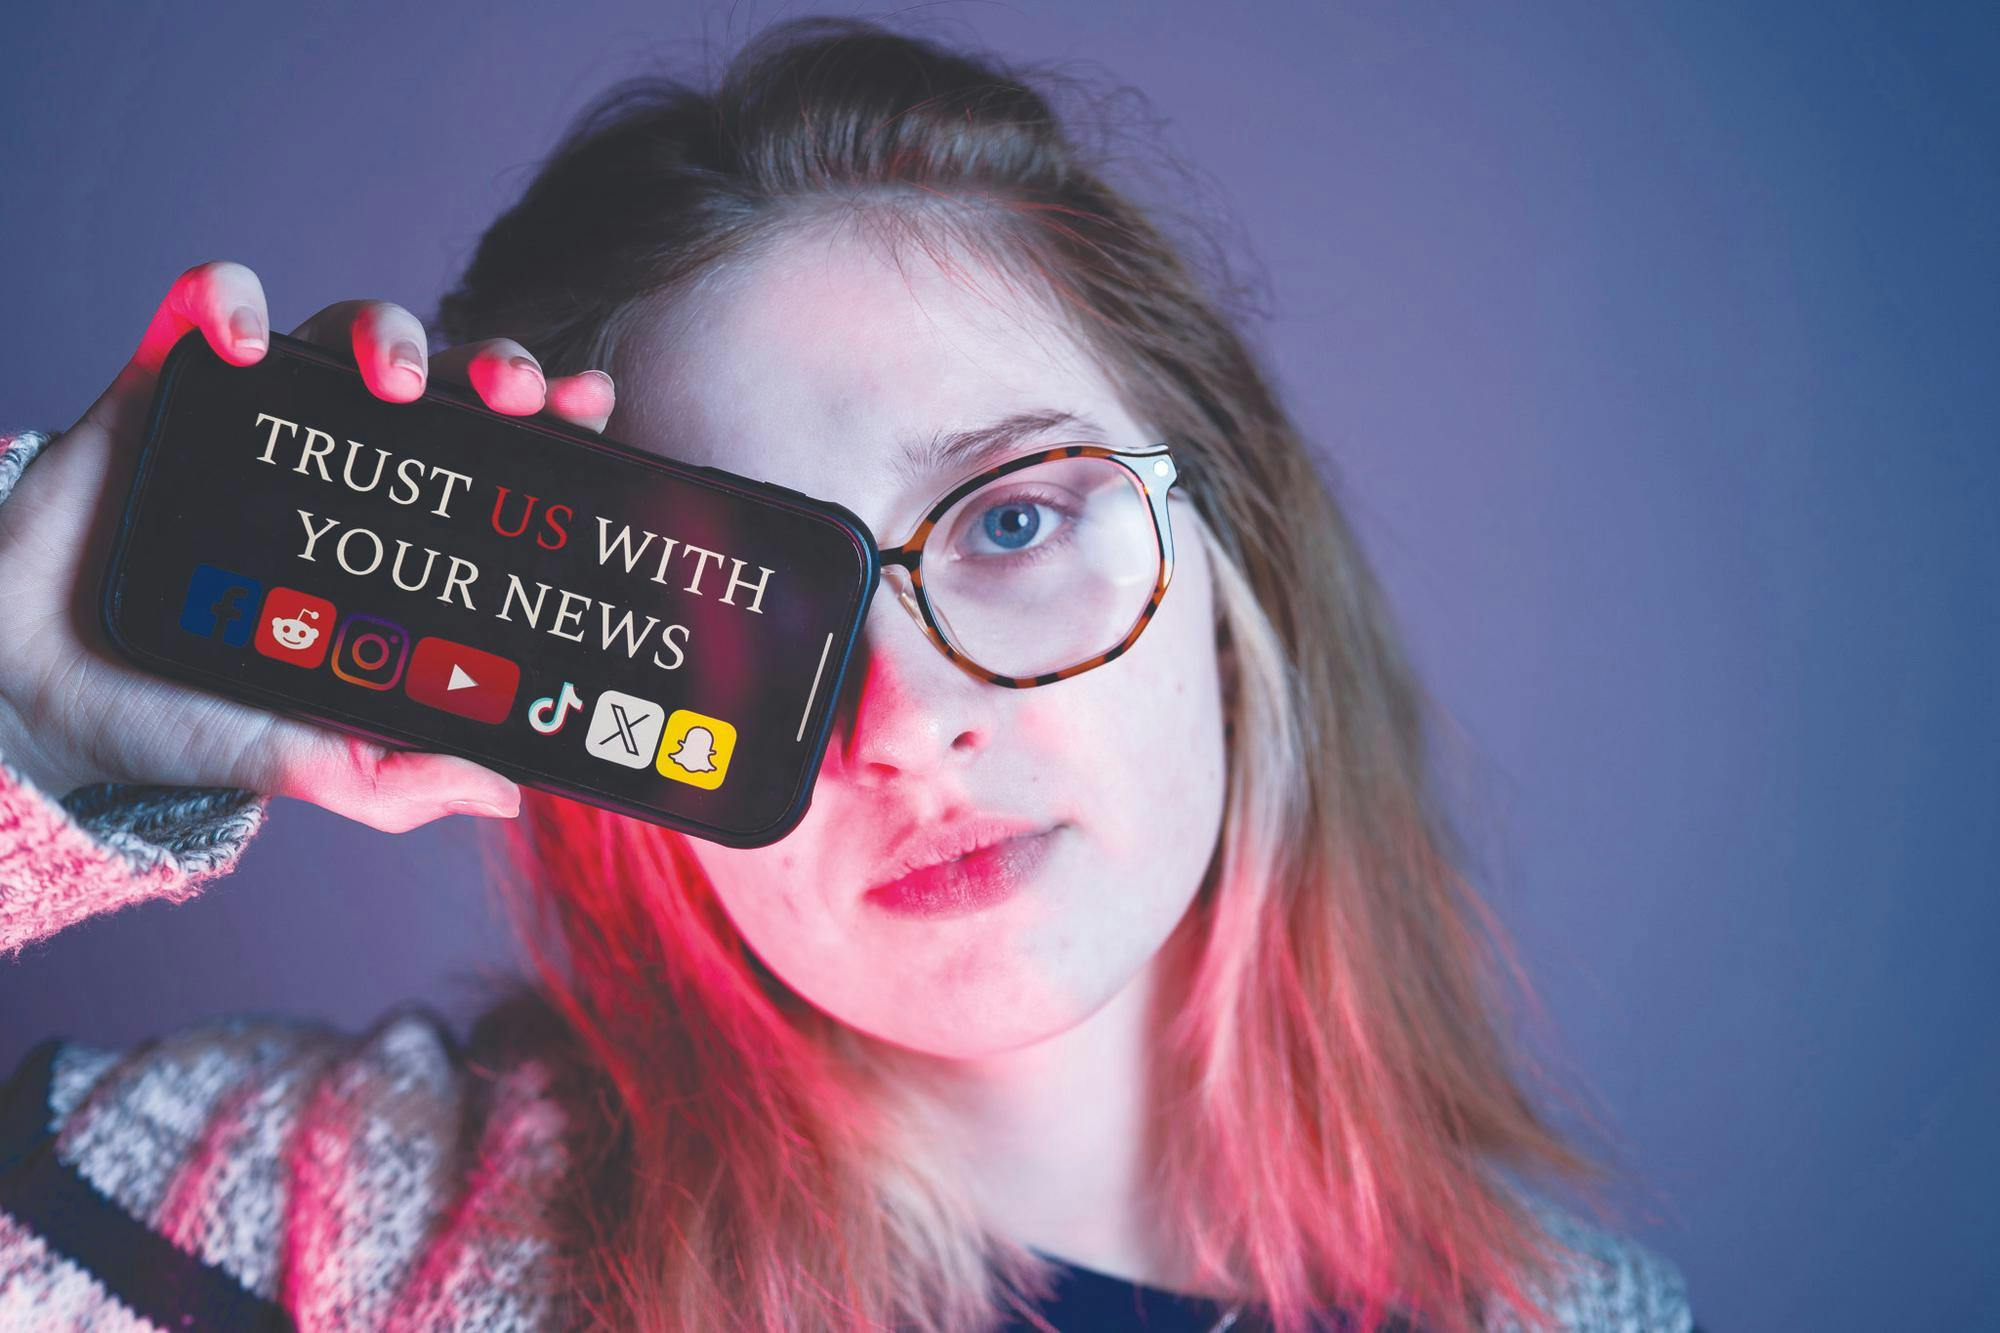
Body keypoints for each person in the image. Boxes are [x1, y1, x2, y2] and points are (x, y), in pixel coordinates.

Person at [0, 18, 1698, 1333]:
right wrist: (28, 711)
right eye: (751, 614)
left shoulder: (1570, 1311)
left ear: (1228, 545)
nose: (904, 725)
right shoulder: (344, 1224)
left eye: (1014, 519)